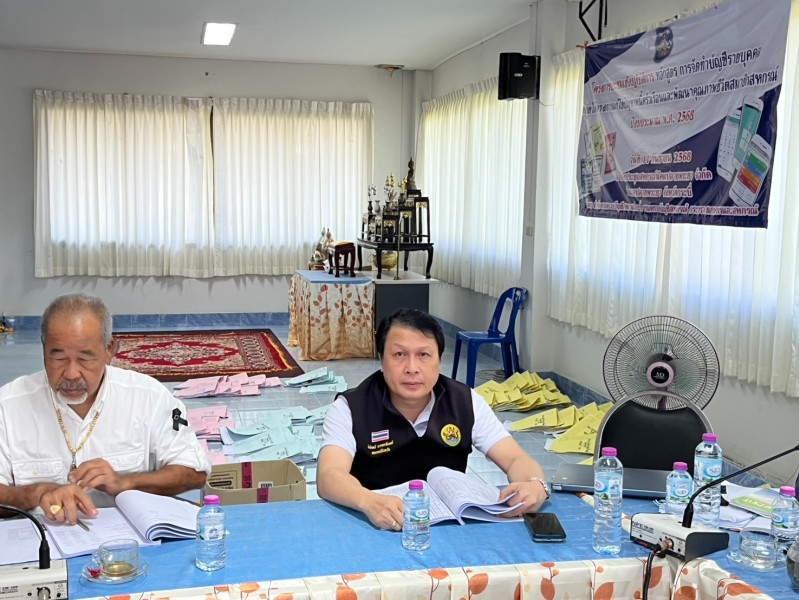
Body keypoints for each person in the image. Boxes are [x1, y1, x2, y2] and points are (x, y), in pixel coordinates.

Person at [317, 308, 549, 530]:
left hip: (450, 529)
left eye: (424, 355)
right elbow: (329, 475)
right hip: (376, 525)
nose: (412, 368)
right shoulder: (351, 407)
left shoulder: (465, 402)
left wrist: (535, 485)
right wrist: (368, 501)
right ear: (381, 359)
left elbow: (515, 459)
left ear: (439, 360)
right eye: (399, 354)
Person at [0, 294, 211, 526]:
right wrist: (37, 493)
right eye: (58, 358)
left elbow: (195, 472)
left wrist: (126, 482)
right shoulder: (8, 405)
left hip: (131, 541)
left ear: (109, 350)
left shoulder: (149, 397)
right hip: (38, 540)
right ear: (43, 348)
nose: (71, 374)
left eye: (84, 359)